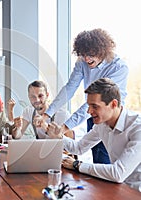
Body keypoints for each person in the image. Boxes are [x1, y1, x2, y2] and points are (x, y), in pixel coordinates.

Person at [42, 28, 129, 164]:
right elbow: (69, 89)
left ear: (102, 50)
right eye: (83, 54)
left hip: (113, 118)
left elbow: (98, 101)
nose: (87, 59)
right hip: (93, 114)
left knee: (108, 161)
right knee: (96, 157)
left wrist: (65, 127)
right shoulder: (82, 62)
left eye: (90, 54)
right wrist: (47, 114)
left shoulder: (118, 67)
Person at [47, 78, 141, 192]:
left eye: (95, 106)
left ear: (113, 104)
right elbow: (78, 148)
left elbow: (118, 173)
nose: (89, 111)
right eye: (89, 106)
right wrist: (59, 137)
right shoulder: (102, 125)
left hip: (136, 191)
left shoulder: (137, 128)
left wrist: (77, 165)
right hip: (119, 188)